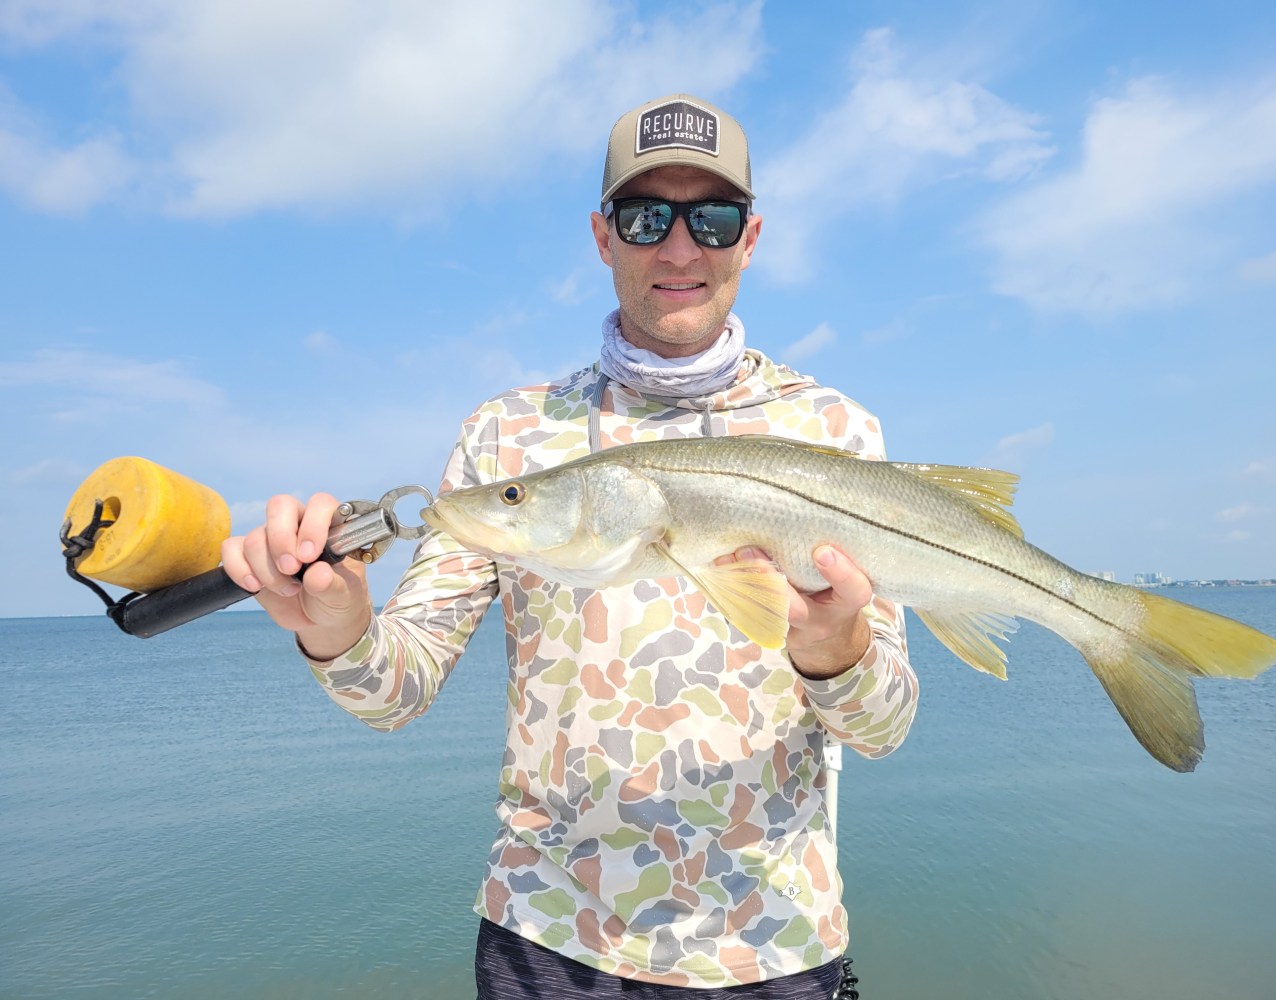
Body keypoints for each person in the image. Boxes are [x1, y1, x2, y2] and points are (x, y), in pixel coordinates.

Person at [222, 94, 918, 999]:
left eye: (711, 218)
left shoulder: (835, 431)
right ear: (602, 236)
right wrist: (339, 629)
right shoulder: (508, 436)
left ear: (749, 238)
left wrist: (836, 651)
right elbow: (393, 692)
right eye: (644, 218)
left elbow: (883, 728)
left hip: (771, 943)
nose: (679, 249)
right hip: (548, 940)